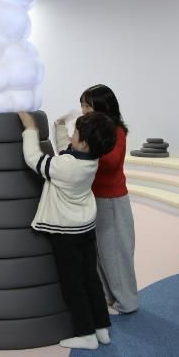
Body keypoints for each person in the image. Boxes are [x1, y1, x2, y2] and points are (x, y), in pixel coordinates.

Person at [19, 110, 117, 350]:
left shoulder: (66, 167)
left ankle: (86, 335)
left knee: (73, 284)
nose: (71, 136)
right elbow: (67, 150)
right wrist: (61, 128)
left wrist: (30, 129)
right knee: (90, 279)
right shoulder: (90, 159)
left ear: (84, 143)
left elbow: (33, 159)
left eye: (75, 133)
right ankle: (101, 327)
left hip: (66, 233)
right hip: (85, 229)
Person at [78, 84, 138, 315]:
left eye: (88, 106)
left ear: (103, 107)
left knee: (115, 253)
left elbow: (111, 162)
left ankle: (127, 302)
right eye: (82, 105)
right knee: (100, 253)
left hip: (112, 201)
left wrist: (87, 148)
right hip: (94, 198)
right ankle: (108, 297)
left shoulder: (116, 131)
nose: (83, 110)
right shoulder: (90, 129)